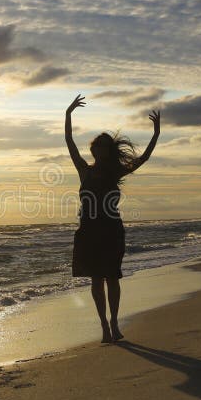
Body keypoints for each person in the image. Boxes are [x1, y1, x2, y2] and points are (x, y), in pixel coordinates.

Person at [65, 94, 160, 343]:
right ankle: (104, 327)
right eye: (96, 146)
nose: (99, 149)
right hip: (88, 231)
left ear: (108, 151)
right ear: (93, 150)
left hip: (111, 230)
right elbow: (69, 142)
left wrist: (156, 134)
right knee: (96, 279)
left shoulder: (115, 172)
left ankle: (115, 323)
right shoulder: (84, 171)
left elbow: (143, 158)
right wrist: (68, 114)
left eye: (103, 146)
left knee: (112, 278)